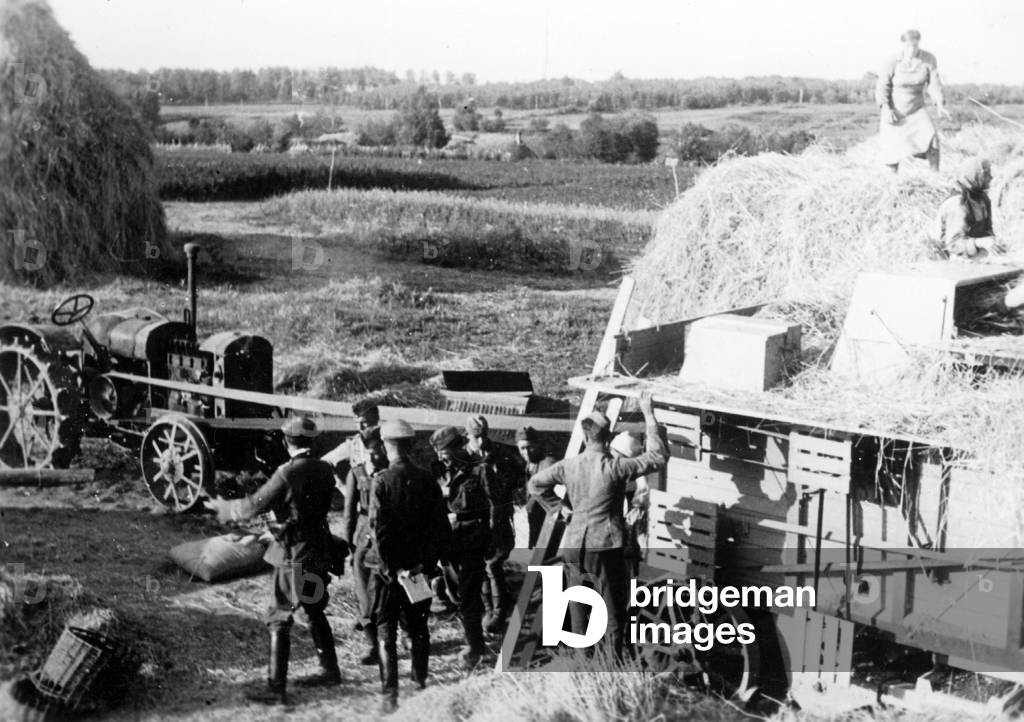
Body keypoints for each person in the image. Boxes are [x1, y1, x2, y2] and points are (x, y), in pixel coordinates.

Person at [207, 416, 340, 705]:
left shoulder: (286, 473)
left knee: (279, 615)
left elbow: (253, 506)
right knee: (314, 608)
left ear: (286, 442)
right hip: (318, 550)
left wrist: (224, 508)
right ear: (312, 441)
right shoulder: (325, 469)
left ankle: (275, 688)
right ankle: (330, 670)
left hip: (293, 554)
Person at [529, 392, 667, 659]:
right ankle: (612, 666)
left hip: (573, 545)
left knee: (579, 607)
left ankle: (584, 665)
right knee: (612, 610)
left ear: (585, 438)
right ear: (608, 438)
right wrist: (649, 414)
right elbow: (658, 457)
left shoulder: (568, 466)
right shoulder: (615, 467)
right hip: (605, 545)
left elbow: (535, 484)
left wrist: (559, 508)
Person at [370, 419, 451, 712]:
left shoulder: (381, 481)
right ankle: (419, 686)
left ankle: (389, 697)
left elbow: (379, 533)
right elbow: (441, 530)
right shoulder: (428, 480)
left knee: (386, 630)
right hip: (417, 571)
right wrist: (423, 565)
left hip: (390, 574)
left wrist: (392, 570)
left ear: (385, 446)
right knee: (418, 627)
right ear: (411, 445)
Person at [431, 425, 493, 667]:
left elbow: (495, 507)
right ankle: (475, 638)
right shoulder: (439, 471)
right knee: (455, 594)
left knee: (468, 594)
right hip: (448, 541)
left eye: (446, 454)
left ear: (459, 448)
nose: (442, 459)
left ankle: (475, 648)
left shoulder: (479, 469)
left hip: (473, 540)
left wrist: (493, 541)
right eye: (439, 455)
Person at [463, 415, 517, 634]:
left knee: (493, 566)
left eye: (484, 435)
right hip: (476, 523)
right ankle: (489, 609)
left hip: (499, 520)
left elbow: (514, 479)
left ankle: (498, 614)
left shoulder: (500, 454)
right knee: (481, 567)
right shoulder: (463, 457)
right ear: (467, 435)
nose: (481, 441)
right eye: (476, 437)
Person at [340, 432, 389, 667]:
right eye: (369, 453)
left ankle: (410, 635)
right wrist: (348, 544)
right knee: (364, 590)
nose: (374, 457)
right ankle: (372, 643)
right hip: (365, 537)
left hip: (390, 535)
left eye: (378, 451)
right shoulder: (356, 473)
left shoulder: (392, 472)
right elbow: (349, 512)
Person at [876, 29, 951, 173]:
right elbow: (882, 86)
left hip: (917, 110)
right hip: (895, 112)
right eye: (909, 46)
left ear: (919, 43)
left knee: (932, 139)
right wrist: (885, 108)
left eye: (915, 46)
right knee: (892, 151)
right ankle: (892, 181)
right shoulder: (892, 61)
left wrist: (940, 104)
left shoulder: (928, 59)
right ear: (903, 45)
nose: (912, 49)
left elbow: (934, 84)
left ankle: (936, 176)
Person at [933, 157, 1004, 260]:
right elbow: (953, 246)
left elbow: (987, 231)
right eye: (986, 174)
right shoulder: (958, 204)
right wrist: (982, 242)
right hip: (949, 257)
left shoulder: (983, 199)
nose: (991, 177)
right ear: (976, 176)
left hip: (973, 252)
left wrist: (994, 243)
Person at [516, 426, 559, 549]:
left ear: (538, 445)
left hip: (549, 522)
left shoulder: (548, 463)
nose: (527, 452)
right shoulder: (529, 465)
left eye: (530, 447)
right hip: (535, 524)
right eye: (523, 448)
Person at [321, 398, 380, 472]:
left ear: (376, 418)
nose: (360, 428)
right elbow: (325, 461)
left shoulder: (389, 440)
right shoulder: (353, 444)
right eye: (357, 422)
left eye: (365, 422)